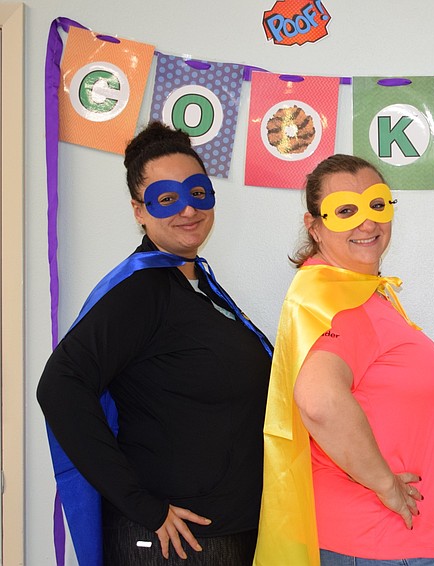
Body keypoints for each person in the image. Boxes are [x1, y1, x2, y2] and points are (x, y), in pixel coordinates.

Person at [37, 121, 273, 566]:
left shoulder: (197, 286)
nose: (187, 210)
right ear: (138, 210)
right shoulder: (141, 290)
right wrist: (142, 505)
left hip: (224, 533)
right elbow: (60, 386)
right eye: (167, 199)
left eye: (197, 192)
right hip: (177, 544)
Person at [254, 154, 434, 566]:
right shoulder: (336, 302)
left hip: (376, 539)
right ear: (315, 227)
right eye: (346, 211)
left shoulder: (350, 293)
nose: (368, 223)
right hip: (373, 540)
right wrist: (385, 485)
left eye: (377, 205)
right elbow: (319, 400)